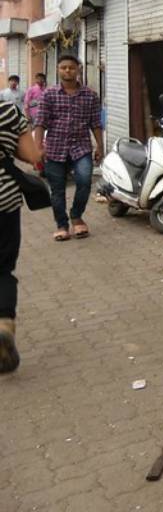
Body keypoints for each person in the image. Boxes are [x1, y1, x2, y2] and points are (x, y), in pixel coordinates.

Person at [34, 55, 103, 242]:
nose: (67, 71)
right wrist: (38, 149)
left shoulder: (90, 95)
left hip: (81, 147)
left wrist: (100, 147)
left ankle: (77, 215)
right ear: (58, 69)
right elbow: (40, 123)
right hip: (55, 148)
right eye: (63, 67)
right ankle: (62, 225)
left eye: (71, 68)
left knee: (85, 180)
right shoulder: (49, 95)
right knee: (57, 190)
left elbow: (96, 124)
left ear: (78, 69)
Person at [0, 99, 43, 373]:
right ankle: (4, 324)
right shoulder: (7, 111)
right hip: (3, 200)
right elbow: (32, 155)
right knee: (2, 269)